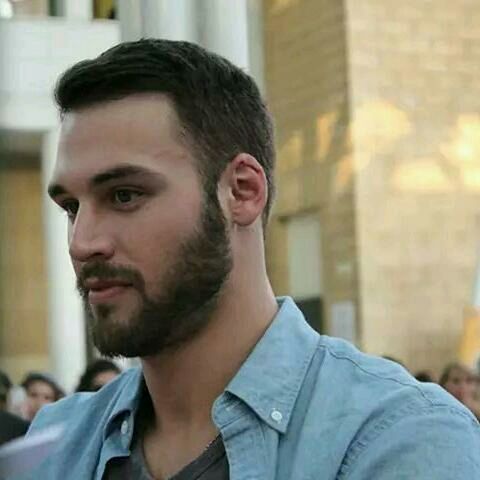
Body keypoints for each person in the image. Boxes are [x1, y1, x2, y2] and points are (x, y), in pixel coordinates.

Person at [24, 39, 480, 479]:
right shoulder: (56, 445)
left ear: (242, 191)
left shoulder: (400, 438)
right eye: (71, 208)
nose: (82, 243)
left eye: (124, 195)